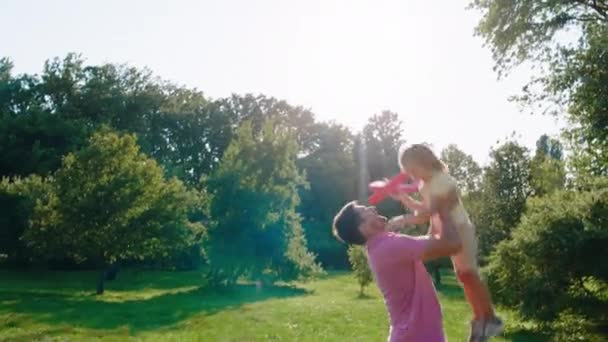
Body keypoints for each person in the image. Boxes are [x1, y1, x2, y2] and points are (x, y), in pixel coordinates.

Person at [393, 143, 504, 341]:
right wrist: (405, 200)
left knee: (469, 273)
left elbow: (430, 211)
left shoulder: (441, 180)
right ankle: (480, 320)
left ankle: (491, 319)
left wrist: (403, 219)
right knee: (463, 276)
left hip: (461, 229)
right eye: (407, 171)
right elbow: (423, 213)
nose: (411, 175)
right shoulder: (424, 184)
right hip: (449, 233)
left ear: (423, 162)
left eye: (412, 169)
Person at [332, 197, 462, 341]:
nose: (373, 208)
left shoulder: (381, 247)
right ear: (363, 227)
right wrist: (443, 207)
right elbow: (451, 243)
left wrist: (433, 213)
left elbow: (432, 242)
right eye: (366, 211)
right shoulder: (389, 246)